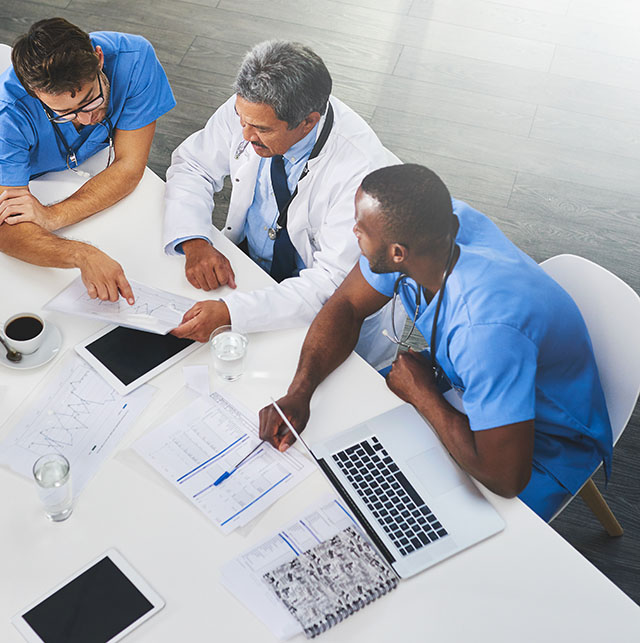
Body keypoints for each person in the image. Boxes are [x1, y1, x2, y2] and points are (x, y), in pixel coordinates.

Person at [258, 164, 614, 520]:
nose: (353, 231)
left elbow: (506, 478)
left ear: (398, 253)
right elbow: (347, 304)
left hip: (542, 445)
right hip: (462, 385)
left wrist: (422, 394)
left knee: (403, 520)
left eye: (360, 228)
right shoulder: (431, 226)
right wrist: (300, 391)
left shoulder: (484, 332)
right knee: (346, 461)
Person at [162, 40, 399, 362]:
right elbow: (194, 166)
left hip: (324, 304)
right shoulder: (251, 109)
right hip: (251, 270)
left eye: (261, 129)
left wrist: (233, 313)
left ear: (308, 122)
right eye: (241, 120)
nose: (245, 135)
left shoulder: (363, 175)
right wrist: (194, 240)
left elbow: (333, 283)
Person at [0, 17, 176, 303]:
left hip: (64, 181)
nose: (87, 119)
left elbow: (129, 167)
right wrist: (82, 254)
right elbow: (6, 235)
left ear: (99, 58)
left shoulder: (135, 59)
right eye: (64, 113)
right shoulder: (7, 111)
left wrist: (51, 216)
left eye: (91, 99)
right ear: (34, 94)